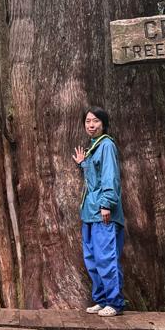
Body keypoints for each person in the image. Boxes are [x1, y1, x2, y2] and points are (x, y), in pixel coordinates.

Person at [72, 106, 125, 317]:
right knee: (92, 259)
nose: (91, 125)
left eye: (95, 121)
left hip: (104, 212)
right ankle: (102, 300)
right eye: (87, 121)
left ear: (103, 124)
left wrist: (107, 204)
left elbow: (109, 176)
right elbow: (94, 177)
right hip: (90, 212)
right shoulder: (94, 147)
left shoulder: (107, 145)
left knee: (106, 258)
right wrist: (84, 164)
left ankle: (115, 302)